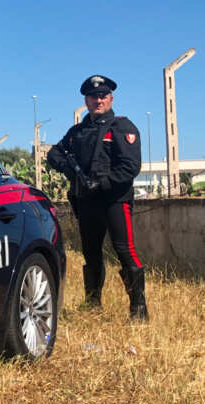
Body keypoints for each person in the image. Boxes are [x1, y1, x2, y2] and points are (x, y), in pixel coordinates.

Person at [47, 75, 148, 322]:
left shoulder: (122, 128)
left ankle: (138, 309)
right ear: (86, 100)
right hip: (87, 203)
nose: (98, 100)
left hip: (115, 201)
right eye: (93, 96)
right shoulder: (77, 132)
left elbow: (130, 167)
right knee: (91, 254)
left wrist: (102, 183)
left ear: (111, 98)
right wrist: (70, 171)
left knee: (125, 251)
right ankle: (92, 304)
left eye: (103, 96)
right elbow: (53, 155)